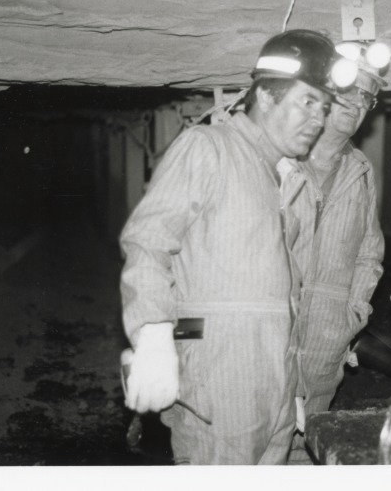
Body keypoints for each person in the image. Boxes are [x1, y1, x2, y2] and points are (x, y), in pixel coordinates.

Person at [118, 29, 340, 465]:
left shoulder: (284, 177)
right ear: (267, 97)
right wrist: (154, 335)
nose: (319, 119)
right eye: (308, 102)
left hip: (274, 391)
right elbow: (147, 241)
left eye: (326, 108)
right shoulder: (209, 148)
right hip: (221, 384)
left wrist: (290, 387)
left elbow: (282, 298)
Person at [289, 44, 387, 425]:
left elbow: (369, 254)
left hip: (324, 343)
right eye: (348, 89)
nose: (357, 102)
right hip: (269, 333)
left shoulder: (360, 171)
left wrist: (352, 314)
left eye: (366, 96)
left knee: (306, 444)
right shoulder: (282, 157)